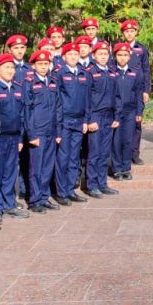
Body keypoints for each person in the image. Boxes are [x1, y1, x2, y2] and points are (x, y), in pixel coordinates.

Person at [0, 54, 27, 227]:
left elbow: (22, 115)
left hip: (14, 136)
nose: (11, 71)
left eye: (12, 67)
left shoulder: (18, 88)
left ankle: (9, 203)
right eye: (6, 67)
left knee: (11, 171)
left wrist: (20, 137)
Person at [24, 50, 62, 213]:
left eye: (46, 64)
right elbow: (27, 110)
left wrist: (59, 132)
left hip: (51, 130)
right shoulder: (30, 83)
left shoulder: (53, 81)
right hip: (37, 131)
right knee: (36, 168)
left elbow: (58, 107)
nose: (43, 67)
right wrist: (31, 134)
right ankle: (34, 200)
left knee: (48, 166)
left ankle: (44, 197)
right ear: (33, 65)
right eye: (40, 64)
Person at [55, 41, 92, 204]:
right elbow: (56, 100)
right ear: (64, 57)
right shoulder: (59, 74)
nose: (73, 56)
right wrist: (58, 123)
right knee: (63, 157)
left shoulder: (84, 74)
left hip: (79, 121)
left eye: (76, 54)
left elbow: (88, 99)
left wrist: (86, 120)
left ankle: (70, 190)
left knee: (74, 157)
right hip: (65, 121)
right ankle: (61, 192)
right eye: (70, 54)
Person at [85, 41, 120, 198]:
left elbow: (117, 96)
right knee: (94, 152)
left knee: (105, 153)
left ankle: (102, 183)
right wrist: (90, 119)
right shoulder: (90, 72)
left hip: (109, 116)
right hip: (96, 116)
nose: (103, 57)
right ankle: (92, 185)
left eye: (105, 54)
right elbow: (86, 98)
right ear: (94, 55)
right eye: (100, 54)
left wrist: (116, 116)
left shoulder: (112, 72)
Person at [112, 42, 144, 180]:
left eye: (125, 55)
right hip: (115, 112)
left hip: (130, 111)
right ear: (115, 56)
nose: (122, 58)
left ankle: (126, 168)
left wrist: (139, 112)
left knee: (127, 140)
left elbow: (138, 93)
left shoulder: (134, 73)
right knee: (116, 141)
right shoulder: (112, 72)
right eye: (119, 55)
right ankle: (117, 169)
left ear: (130, 56)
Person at [6, 33, 32, 205]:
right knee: (12, 160)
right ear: (10, 49)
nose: (20, 50)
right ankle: (13, 193)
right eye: (16, 47)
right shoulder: (6, 67)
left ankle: (25, 189)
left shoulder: (30, 68)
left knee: (27, 157)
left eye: (22, 47)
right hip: (14, 116)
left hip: (29, 116)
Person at [120, 19, 151, 165]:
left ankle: (134, 153)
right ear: (123, 33)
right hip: (123, 88)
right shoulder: (118, 48)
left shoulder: (142, 49)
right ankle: (121, 152)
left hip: (138, 90)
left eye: (132, 31)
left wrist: (146, 90)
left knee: (137, 122)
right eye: (126, 31)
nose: (129, 34)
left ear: (136, 32)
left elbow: (146, 70)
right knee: (121, 121)